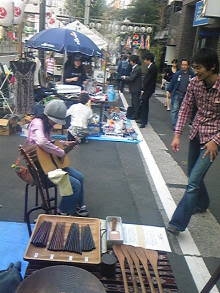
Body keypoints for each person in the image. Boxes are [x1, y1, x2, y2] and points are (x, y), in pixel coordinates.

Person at [167, 48, 220, 235]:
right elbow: (185, 108)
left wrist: (216, 140)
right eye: (194, 67)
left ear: (212, 67)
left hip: (213, 139)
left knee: (193, 182)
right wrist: (176, 134)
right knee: (193, 175)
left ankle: (177, 223)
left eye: (198, 68)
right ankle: (203, 203)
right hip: (196, 133)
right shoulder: (194, 83)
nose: (195, 71)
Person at [26, 99, 89, 217]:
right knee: (74, 185)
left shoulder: (45, 124)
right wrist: (60, 151)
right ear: (47, 115)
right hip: (41, 171)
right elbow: (41, 141)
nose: (55, 124)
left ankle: (77, 206)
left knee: (80, 177)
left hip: (49, 165)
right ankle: (63, 212)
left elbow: (46, 143)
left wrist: (63, 143)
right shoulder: (37, 123)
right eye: (54, 121)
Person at [167, 59, 194, 129]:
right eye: (182, 65)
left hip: (186, 95)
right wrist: (169, 91)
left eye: (185, 65)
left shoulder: (191, 74)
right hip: (177, 93)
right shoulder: (177, 74)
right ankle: (175, 125)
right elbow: (172, 82)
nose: (183, 66)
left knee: (183, 111)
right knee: (175, 109)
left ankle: (179, 124)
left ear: (188, 66)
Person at [139, 52, 158, 128]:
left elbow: (148, 80)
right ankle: (143, 120)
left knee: (144, 104)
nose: (144, 61)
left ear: (148, 60)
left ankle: (143, 121)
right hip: (149, 89)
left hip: (148, 89)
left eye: (145, 60)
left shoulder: (152, 67)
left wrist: (143, 89)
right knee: (145, 104)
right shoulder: (152, 66)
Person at [121, 55, 142, 120]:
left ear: (133, 61)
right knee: (134, 102)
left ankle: (136, 116)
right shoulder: (135, 68)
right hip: (134, 88)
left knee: (135, 103)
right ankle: (134, 114)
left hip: (136, 88)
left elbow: (132, 78)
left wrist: (124, 77)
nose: (129, 62)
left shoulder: (137, 68)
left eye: (130, 61)